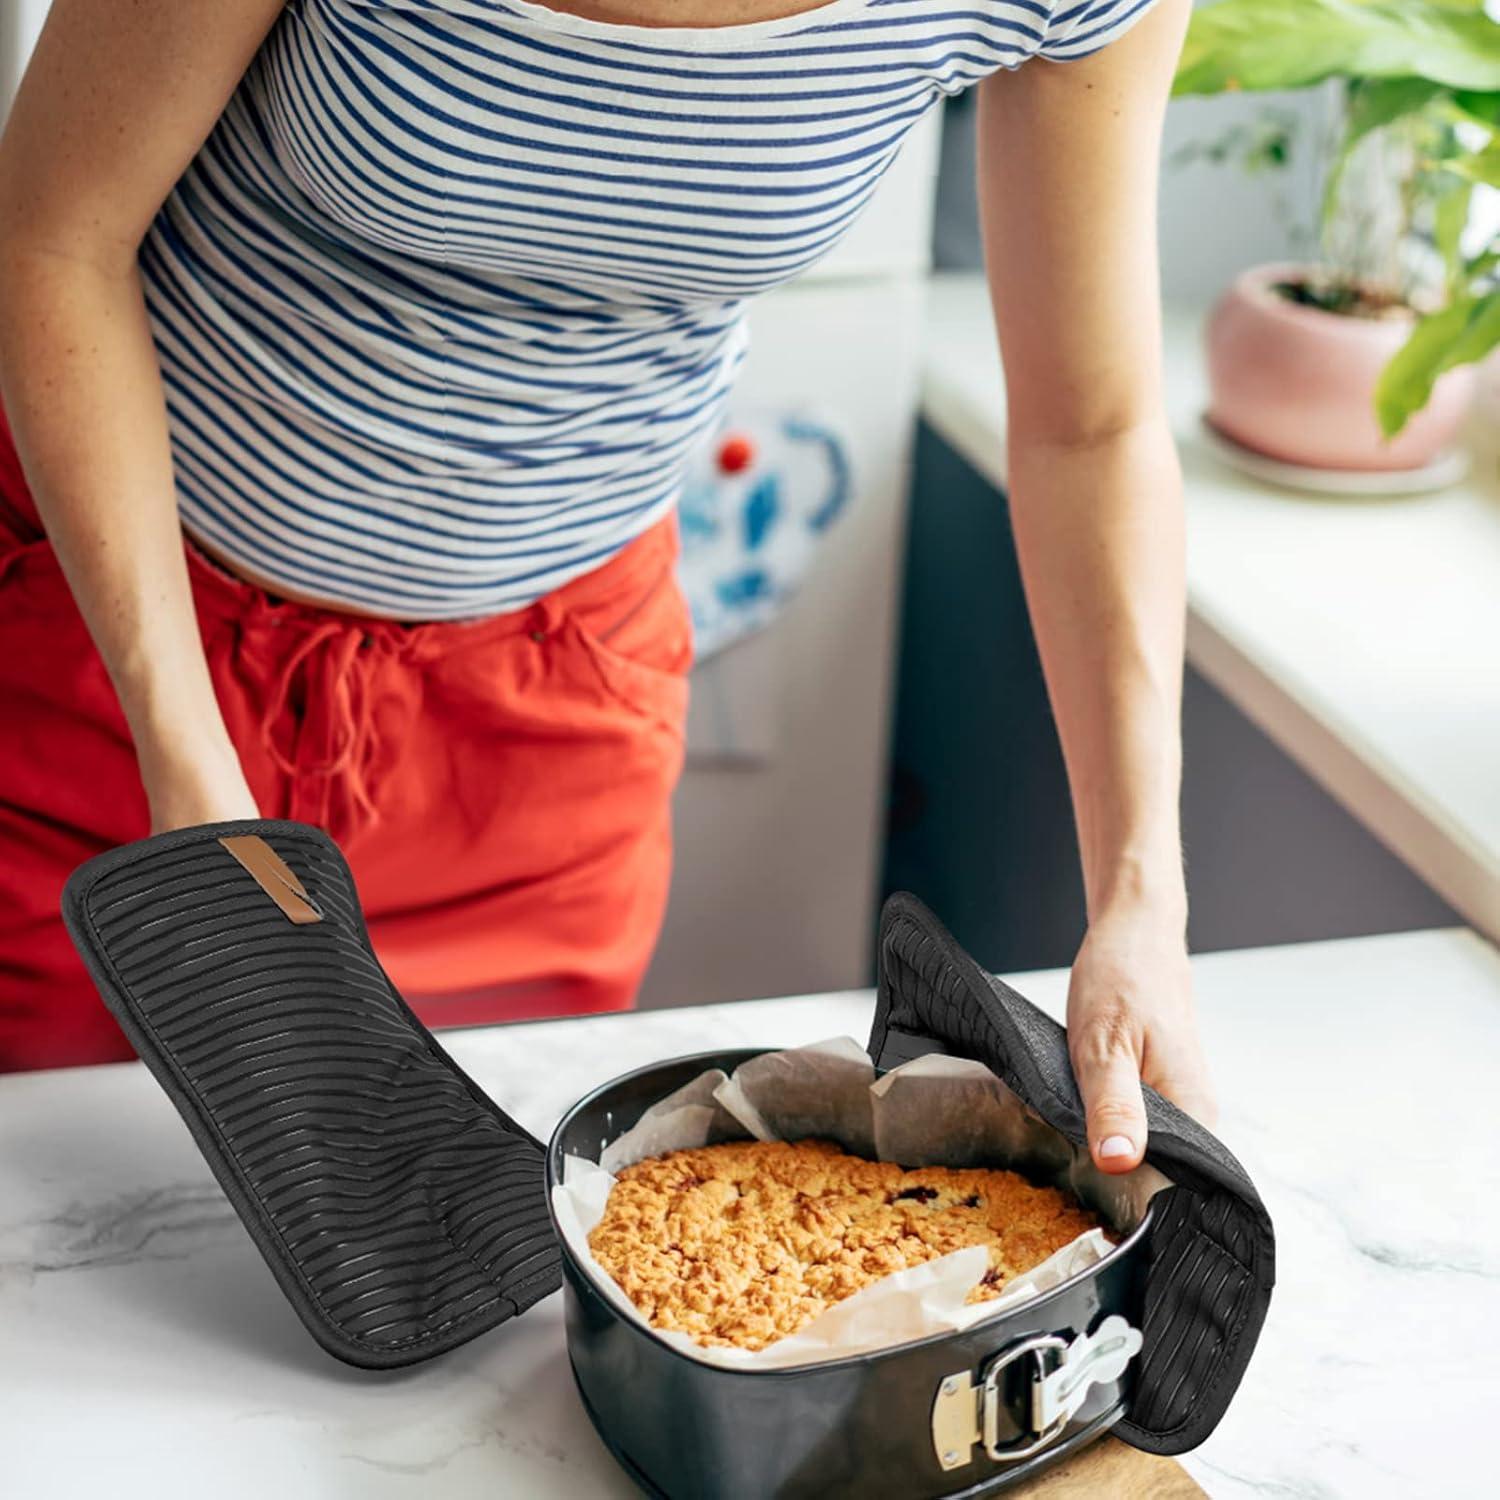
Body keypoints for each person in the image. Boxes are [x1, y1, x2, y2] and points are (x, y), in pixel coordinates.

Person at [0, 0, 1215, 1169]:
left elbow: (1090, 426)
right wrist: (185, 754)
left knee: (467, 1283)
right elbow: (53, 238)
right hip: (117, 647)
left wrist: (1139, 902)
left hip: (546, 733)